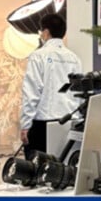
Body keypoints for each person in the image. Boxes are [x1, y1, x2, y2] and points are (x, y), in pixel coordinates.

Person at [20, 12, 82, 156]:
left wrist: (25, 125)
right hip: (69, 122)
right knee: (64, 170)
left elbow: (31, 93)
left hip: (43, 124)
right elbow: (78, 92)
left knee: (38, 172)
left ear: (46, 32)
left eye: (41, 32)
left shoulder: (38, 56)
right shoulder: (74, 58)